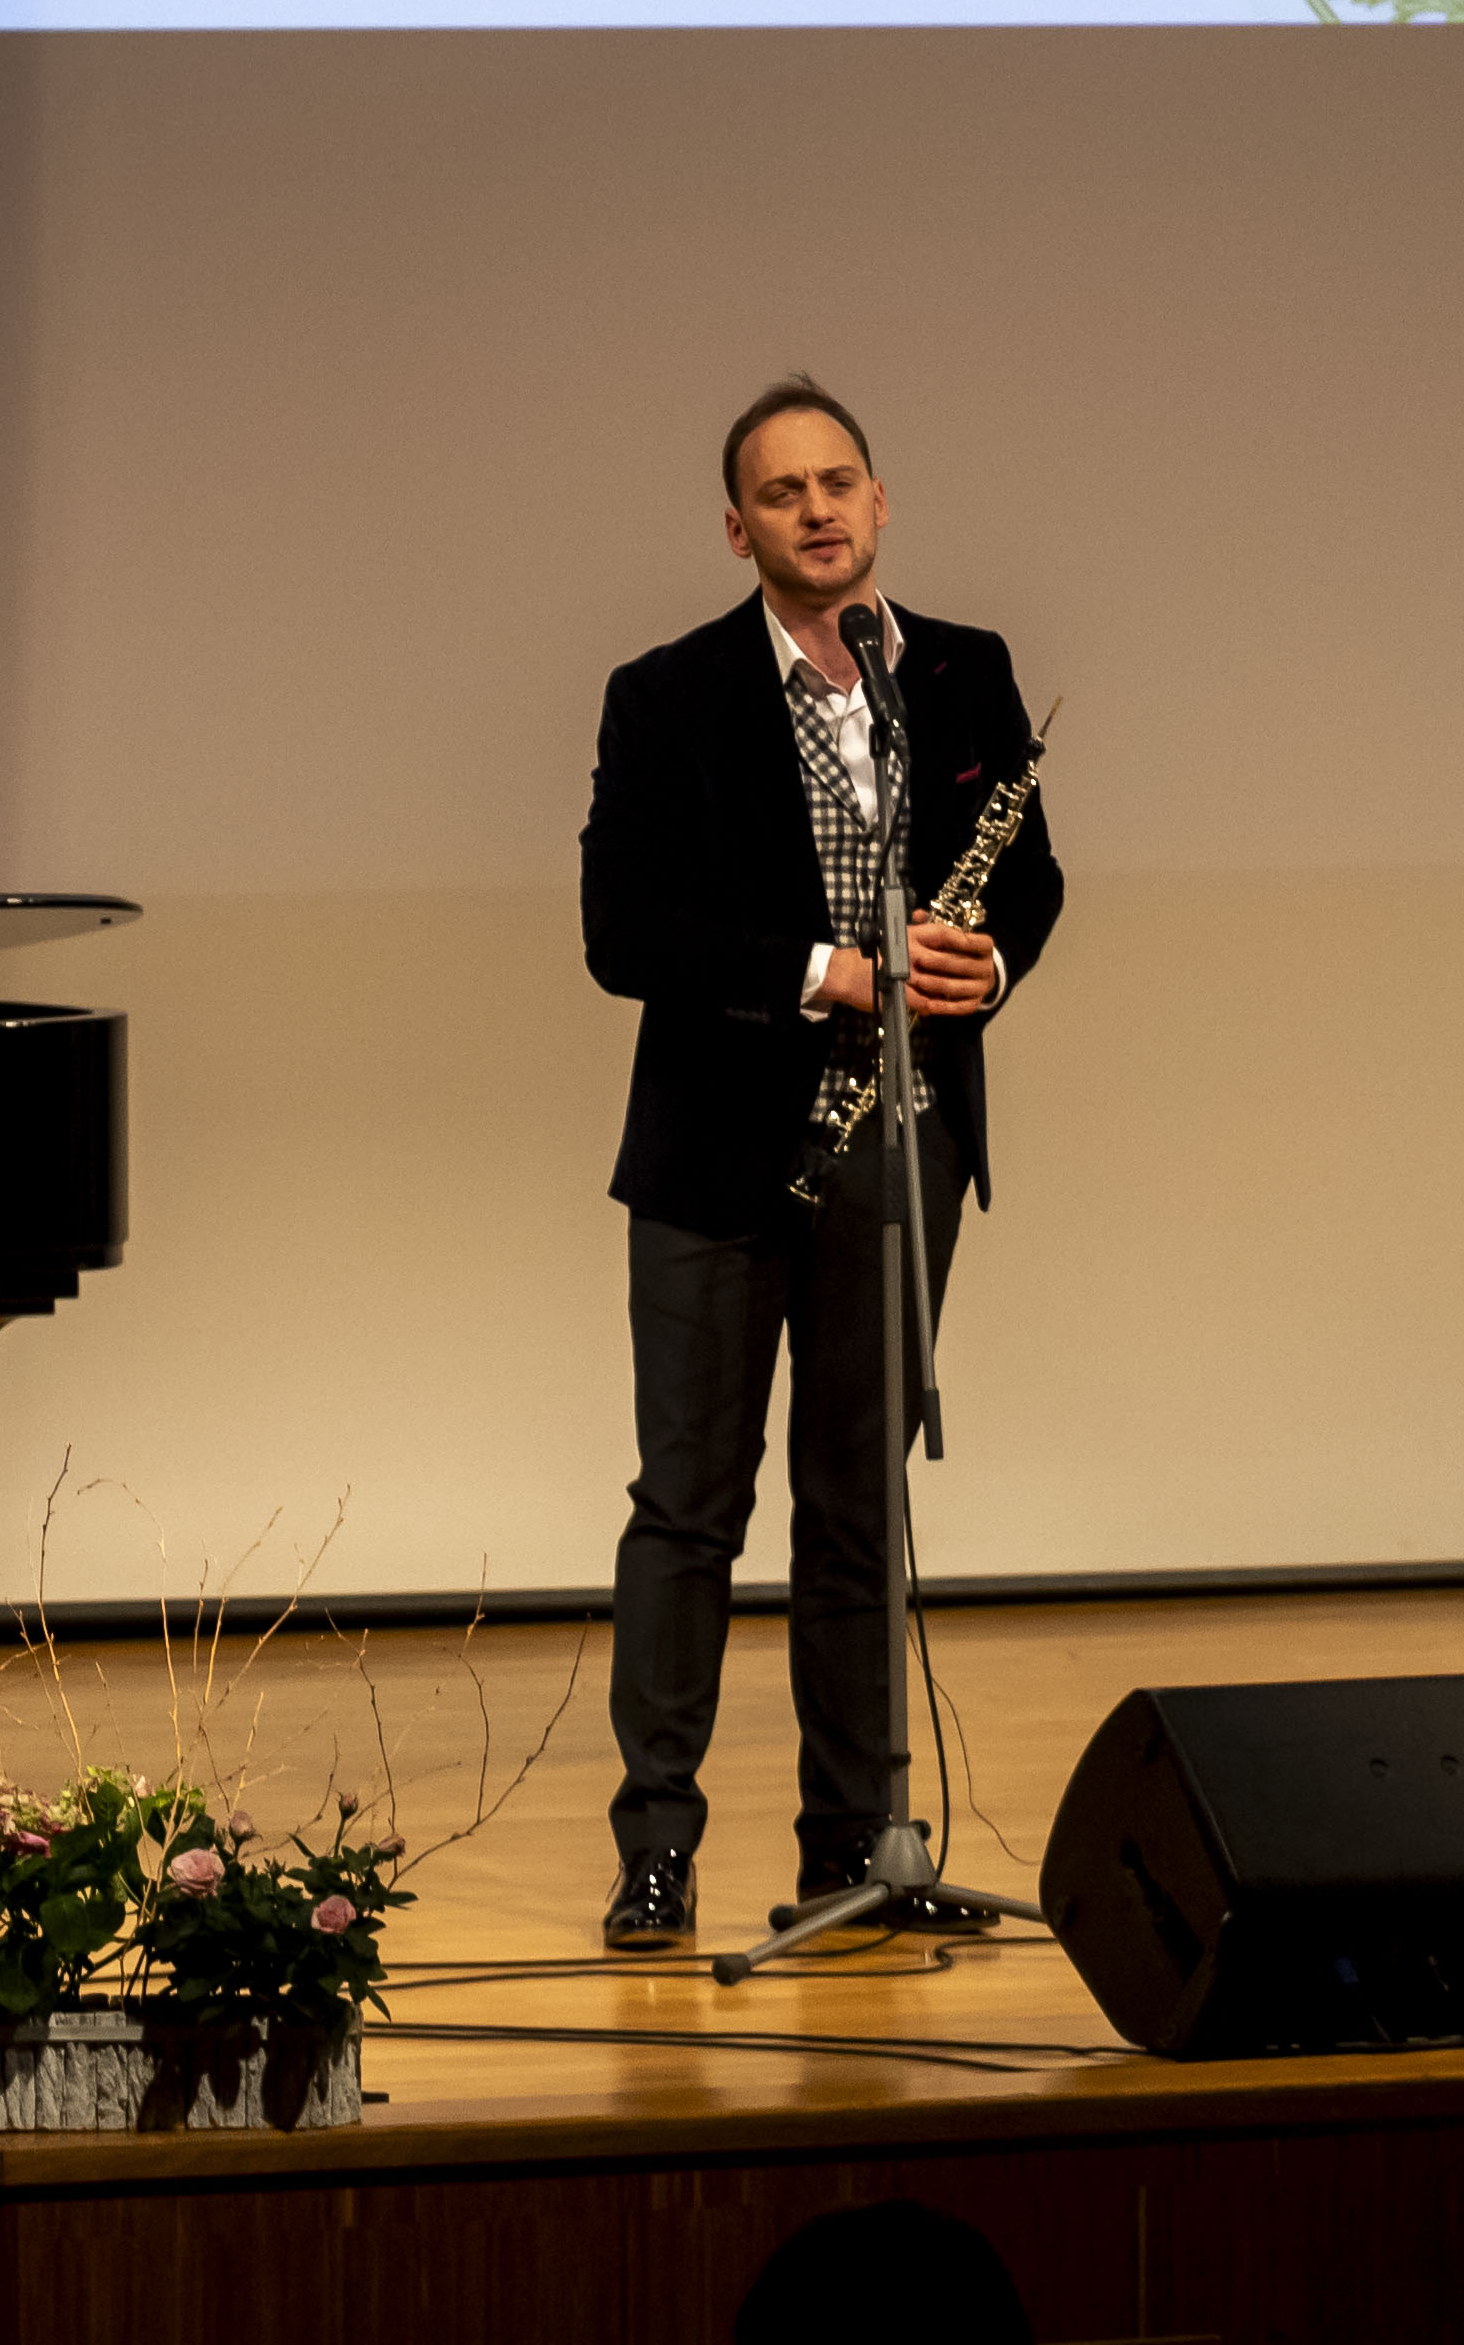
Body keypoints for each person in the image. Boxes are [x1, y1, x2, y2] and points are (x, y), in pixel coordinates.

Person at [575, 381, 1061, 1949]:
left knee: (856, 1506)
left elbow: (1031, 876)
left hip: (901, 1151)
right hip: (718, 1157)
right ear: (740, 530)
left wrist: (991, 961)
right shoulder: (667, 695)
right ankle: (657, 1850)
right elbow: (623, 931)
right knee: (689, 1510)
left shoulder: (964, 672)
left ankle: (857, 1846)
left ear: (880, 498)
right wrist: (826, 973)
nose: (818, 509)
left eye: (839, 481)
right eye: (782, 493)